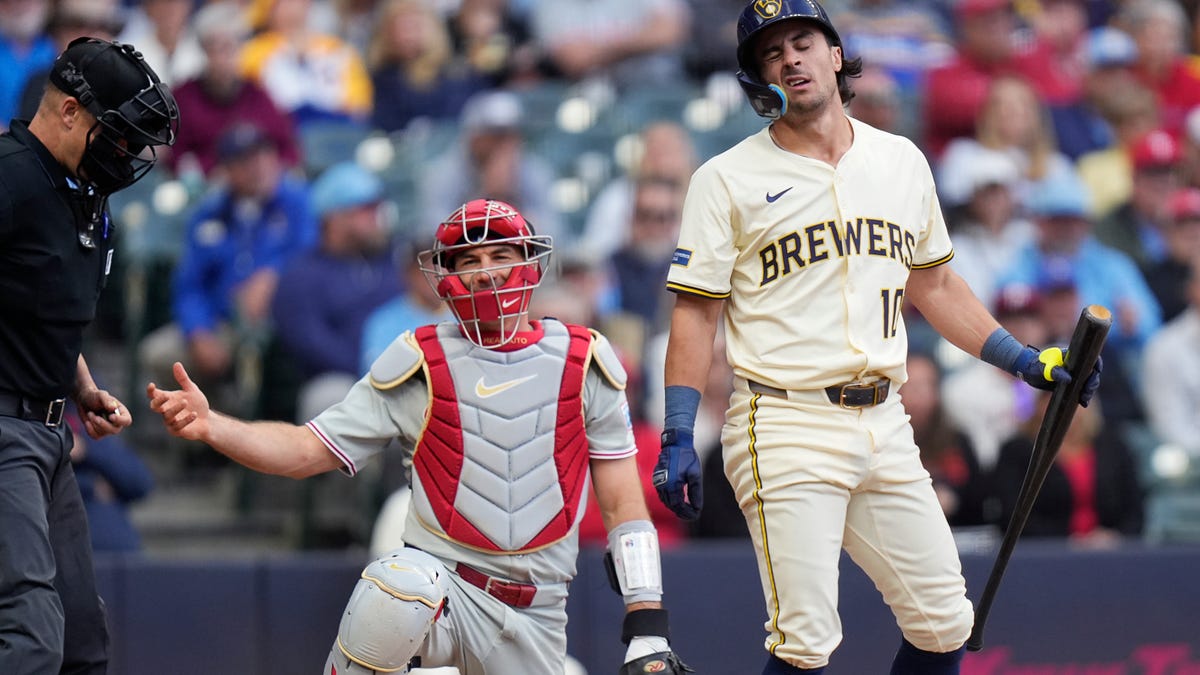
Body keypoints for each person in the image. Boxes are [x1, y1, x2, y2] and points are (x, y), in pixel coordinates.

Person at [650, 2, 1101, 673]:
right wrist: (679, 430)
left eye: (803, 42)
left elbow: (938, 288)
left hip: (884, 420)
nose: (791, 59)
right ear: (758, 79)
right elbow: (694, 314)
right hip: (783, 419)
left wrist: (1026, 362)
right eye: (771, 53)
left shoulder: (900, 160)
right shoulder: (726, 178)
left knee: (945, 620)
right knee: (804, 639)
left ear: (836, 55)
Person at [147, 198, 692, 675]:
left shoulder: (585, 358)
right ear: (444, 276)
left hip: (539, 606)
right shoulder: (419, 359)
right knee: (397, 589)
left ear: (530, 262)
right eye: (469, 261)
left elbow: (624, 504)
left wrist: (647, 623)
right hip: (446, 589)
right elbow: (305, 451)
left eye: (500, 254)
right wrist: (213, 423)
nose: (485, 272)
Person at [0, 35, 177, 674]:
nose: (127, 152)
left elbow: (36, 306)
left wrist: (80, 384)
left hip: (48, 433)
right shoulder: (11, 176)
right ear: (71, 111)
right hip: (3, 431)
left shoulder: (83, 194)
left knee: (80, 644)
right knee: (28, 632)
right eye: (120, 134)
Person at [270, 160, 400, 422]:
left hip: (407, 375)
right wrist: (376, 371)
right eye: (367, 209)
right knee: (327, 400)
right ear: (336, 219)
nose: (379, 217)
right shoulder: (301, 275)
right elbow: (312, 345)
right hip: (343, 380)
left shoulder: (393, 260)